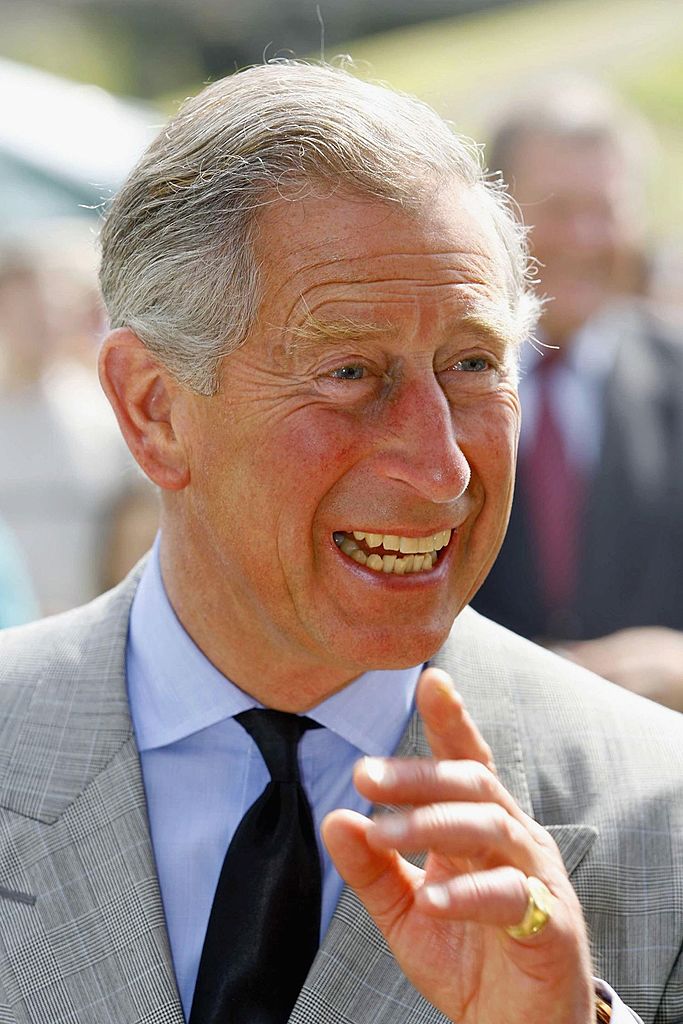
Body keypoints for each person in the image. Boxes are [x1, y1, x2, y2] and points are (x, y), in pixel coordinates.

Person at [0, 62, 680, 1024]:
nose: (442, 468)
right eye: (350, 371)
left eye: (474, 364)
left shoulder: (661, 811)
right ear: (153, 410)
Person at [471, 82, 683, 712]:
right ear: (492, 214)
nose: (586, 239)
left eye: (606, 210)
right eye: (560, 210)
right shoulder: (430, 387)